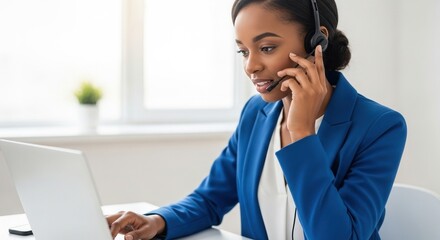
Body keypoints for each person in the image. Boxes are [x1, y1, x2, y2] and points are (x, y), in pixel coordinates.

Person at [106, 0, 407, 239]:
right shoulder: (256, 114)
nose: (251, 66)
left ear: (318, 41)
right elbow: (210, 199)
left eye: (266, 48)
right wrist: (157, 221)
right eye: (243, 51)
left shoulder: (380, 127)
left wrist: (301, 131)